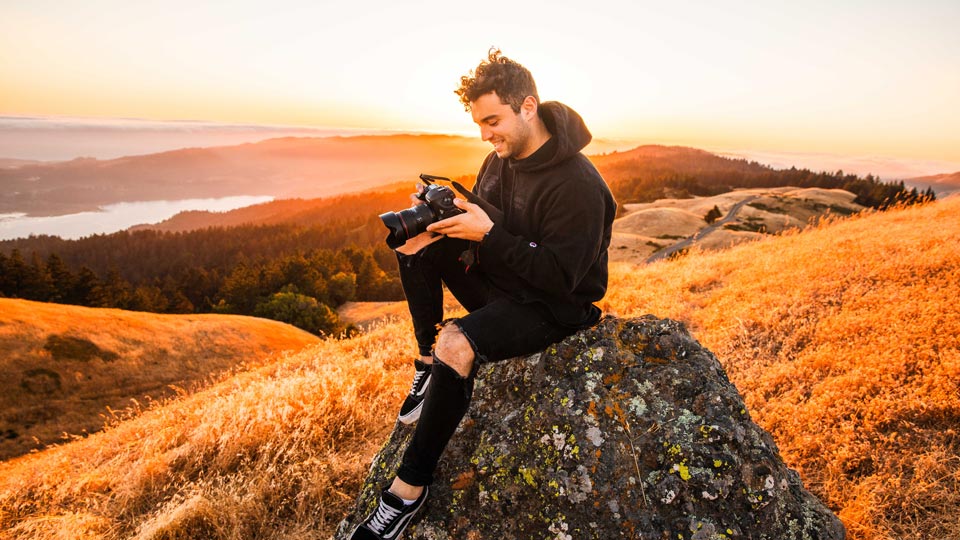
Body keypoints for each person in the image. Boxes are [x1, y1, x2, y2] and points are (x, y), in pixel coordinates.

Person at [350, 48, 616, 540]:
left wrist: (489, 236)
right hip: (505, 280)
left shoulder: (577, 184)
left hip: (554, 307)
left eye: (493, 120)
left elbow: (560, 277)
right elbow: (487, 219)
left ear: (528, 107)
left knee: (457, 342)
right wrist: (444, 216)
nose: (485, 134)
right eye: (479, 124)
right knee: (415, 244)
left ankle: (407, 492)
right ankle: (427, 367)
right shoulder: (500, 160)